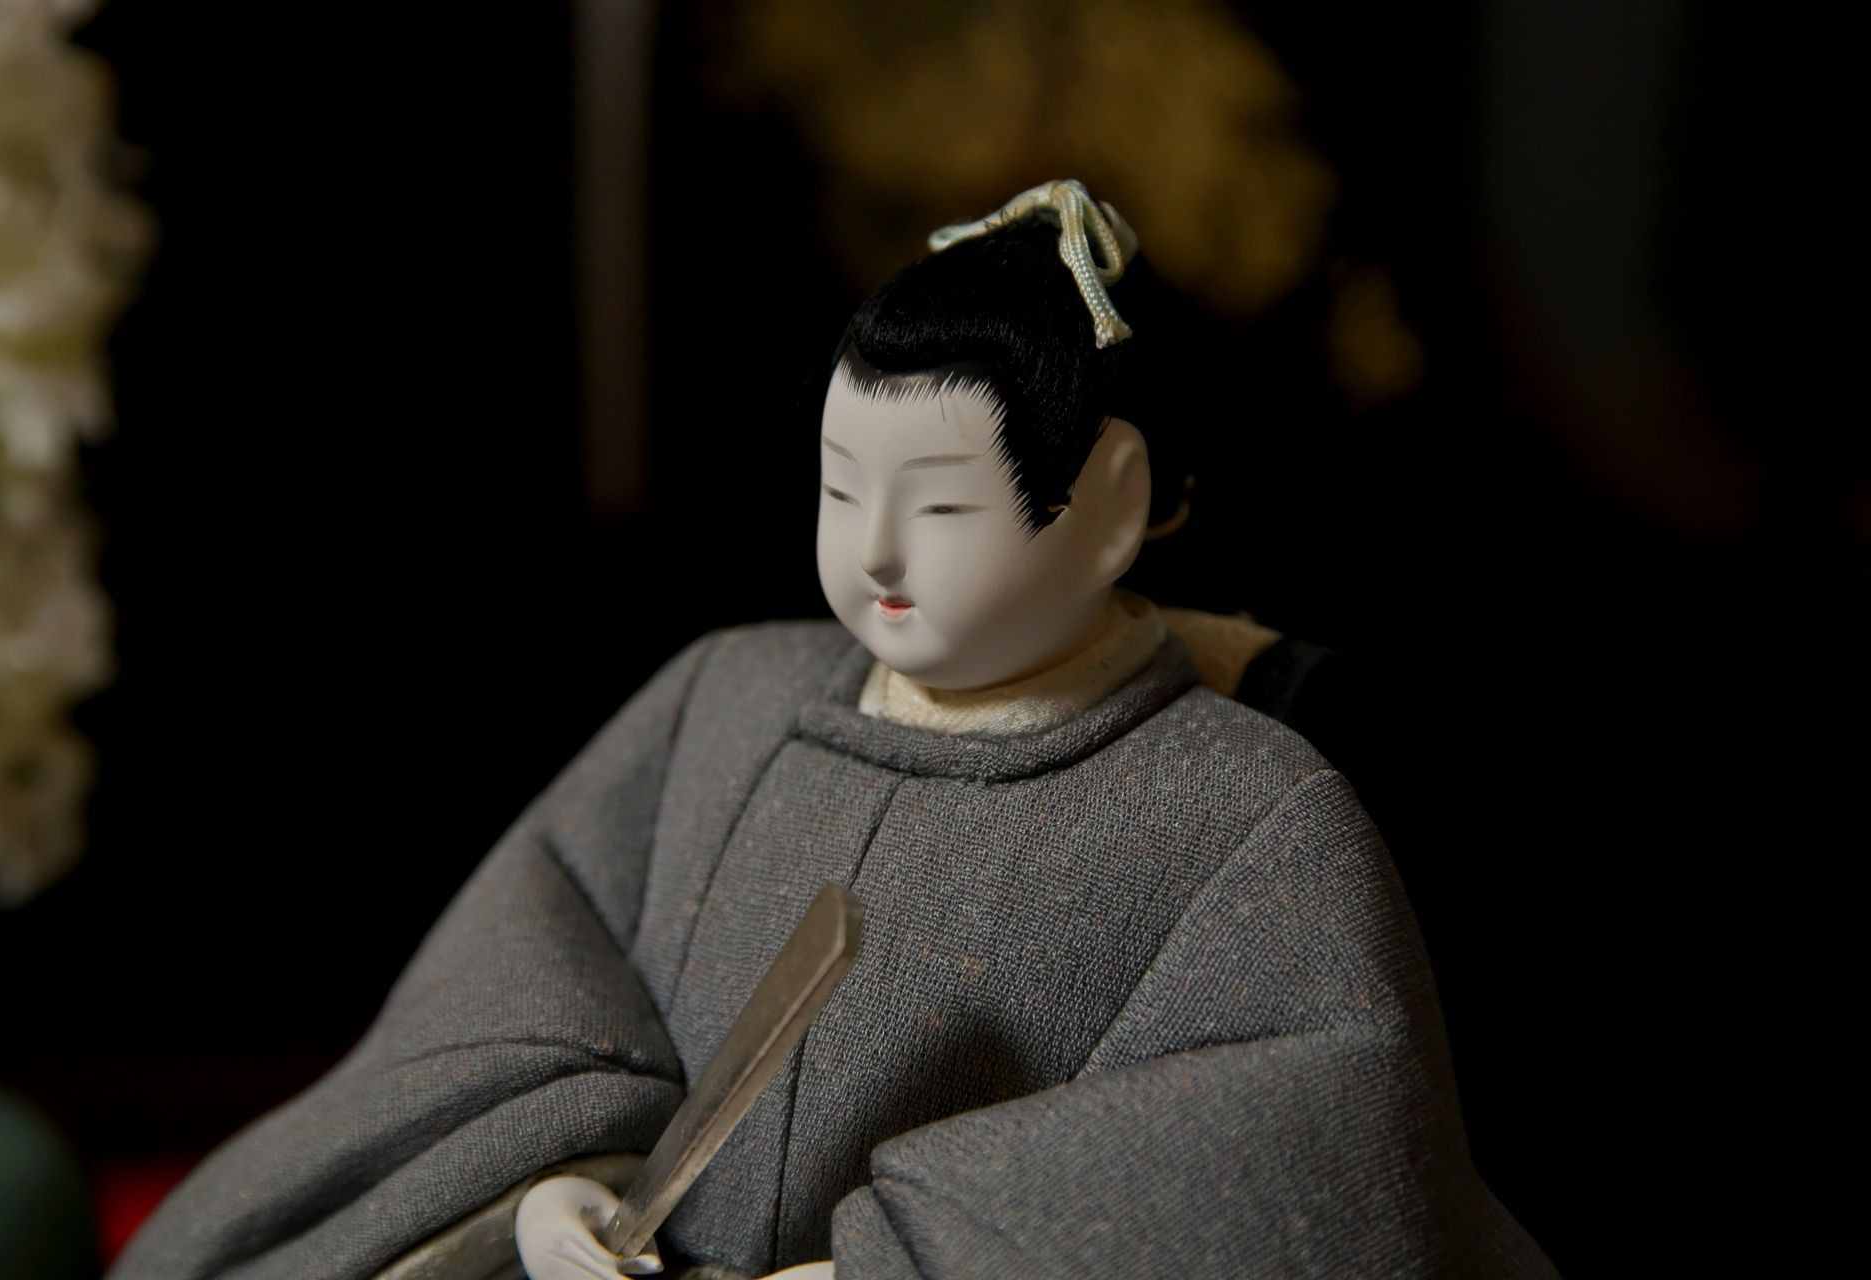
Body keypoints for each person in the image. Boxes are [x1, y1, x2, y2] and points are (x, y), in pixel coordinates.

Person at [114, 182, 1557, 1280]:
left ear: (1109, 503)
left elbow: (1301, 1136)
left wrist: (895, 1266)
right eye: (838, 486)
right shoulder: (722, 701)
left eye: (940, 505)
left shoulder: (1245, 811)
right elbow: (533, 960)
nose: (875, 551)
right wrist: (557, 1184)